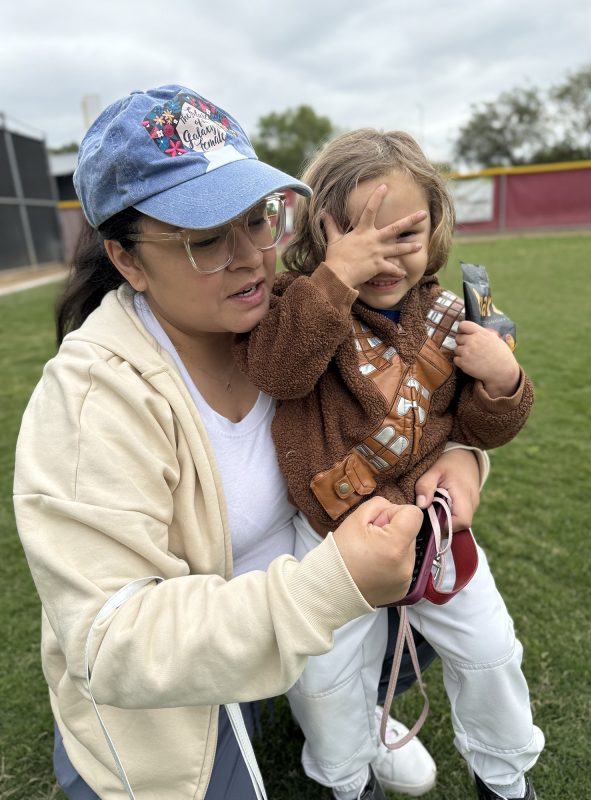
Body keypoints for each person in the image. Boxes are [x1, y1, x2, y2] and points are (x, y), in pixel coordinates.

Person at [12, 86, 487, 800]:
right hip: (178, 680)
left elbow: (411, 403)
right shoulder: (92, 398)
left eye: (259, 219)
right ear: (127, 260)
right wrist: (331, 589)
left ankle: (351, 707)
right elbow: (110, 642)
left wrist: (463, 457)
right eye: (205, 240)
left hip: (301, 612)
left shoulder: (297, 324)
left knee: (416, 605)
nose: (252, 259)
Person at [233, 128, 544, 800]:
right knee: (326, 681)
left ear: (435, 229)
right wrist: (334, 279)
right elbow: (280, 372)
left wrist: (501, 383)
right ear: (320, 232)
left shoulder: (451, 313)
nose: (381, 255)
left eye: (404, 234)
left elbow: (478, 429)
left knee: (490, 651)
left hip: (436, 532)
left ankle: (504, 777)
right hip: (332, 539)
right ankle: (350, 782)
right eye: (356, 234)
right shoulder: (299, 301)